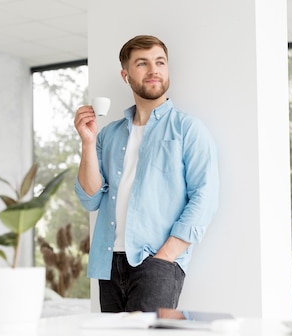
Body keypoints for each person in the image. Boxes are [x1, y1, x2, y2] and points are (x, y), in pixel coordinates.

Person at [73, 35, 219, 313]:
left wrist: (165, 257)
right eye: (142, 63)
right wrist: (88, 142)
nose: (154, 70)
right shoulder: (108, 135)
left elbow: (205, 197)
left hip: (157, 262)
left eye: (160, 62)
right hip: (109, 263)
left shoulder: (188, 129)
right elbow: (90, 199)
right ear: (125, 75)